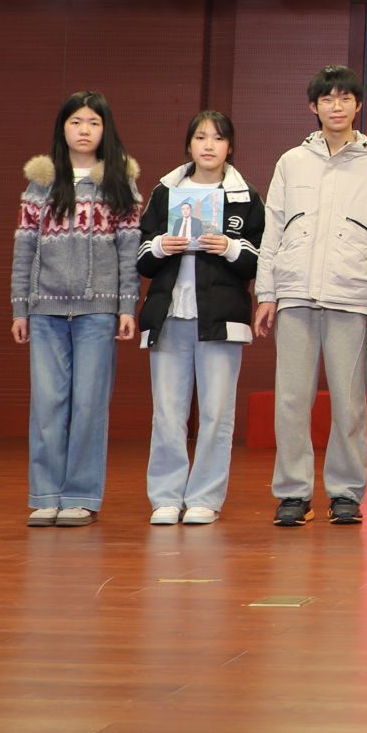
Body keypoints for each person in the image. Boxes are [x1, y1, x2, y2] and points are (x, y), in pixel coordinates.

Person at [252, 65, 367, 528]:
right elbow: (272, 230)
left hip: (352, 295)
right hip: (295, 293)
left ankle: (346, 492)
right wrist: (266, 292)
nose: (337, 106)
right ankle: (293, 492)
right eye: (328, 99)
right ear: (313, 106)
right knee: (291, 401)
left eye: (345, 98)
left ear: (359, 105)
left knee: (349, 403)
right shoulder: (291, 161)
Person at [10, 90, 141, 528]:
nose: (84, 130)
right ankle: (46, 495)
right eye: (76, 122)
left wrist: (127, 306)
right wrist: (20, 308)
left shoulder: (120, 182)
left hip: (98, 312)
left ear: (106, 130)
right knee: (48, 405)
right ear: (62, 128)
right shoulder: (41, 182)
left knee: (89, 406)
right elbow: (24, 249)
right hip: (45, 310)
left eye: (93, 122)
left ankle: (81, 496)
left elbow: (129, 252)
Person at [135, 110, 264, 526]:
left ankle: (205, 497)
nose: (209, 145)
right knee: (167, 413)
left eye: (218, 138)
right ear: (189, 145)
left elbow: (261, 261)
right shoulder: (165, 192)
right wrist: (160, 246)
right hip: (169, 314)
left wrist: (229, 247)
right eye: (201, 137)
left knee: (216, 413)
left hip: (221, 318)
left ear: (230, 146)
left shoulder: (245, 196)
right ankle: (166, 497)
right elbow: (141, 255)